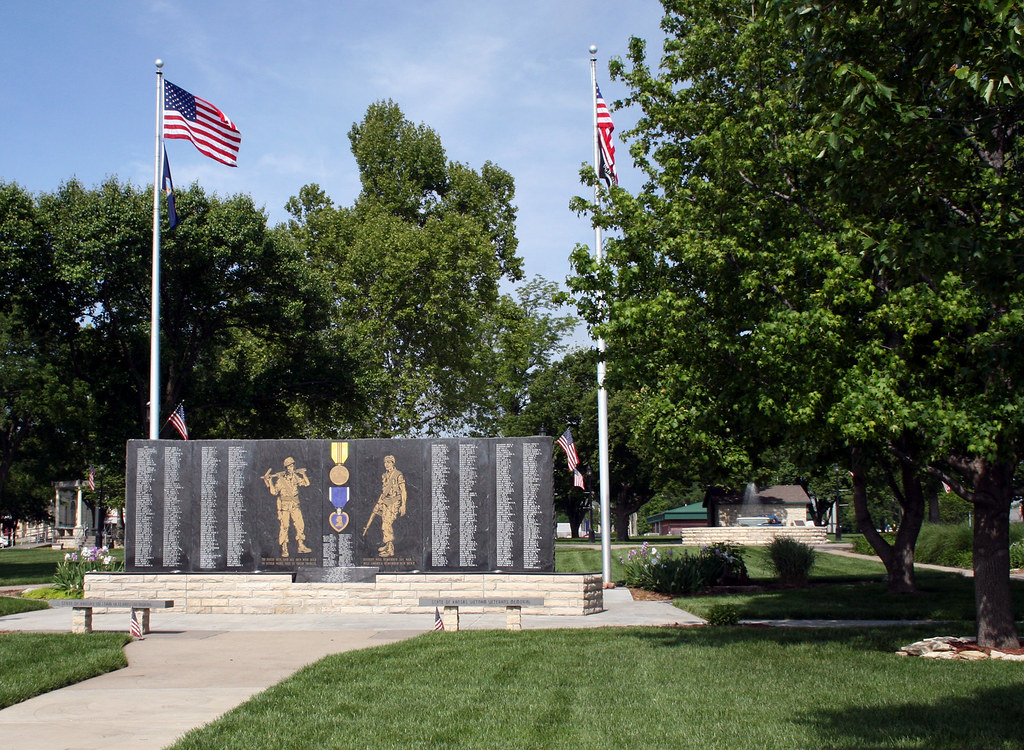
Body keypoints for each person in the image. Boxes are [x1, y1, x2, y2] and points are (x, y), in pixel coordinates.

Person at [264, 457, 312, 557]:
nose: (291, 468)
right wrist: (270, 481)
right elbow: (274, 492)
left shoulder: (295, 477)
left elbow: (307, 483)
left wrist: (303, 474)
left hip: (295, 505)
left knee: (300, 524)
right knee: (284, 527)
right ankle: (284, 548)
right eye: (289, 466)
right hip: (284, 507)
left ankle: (301, 546)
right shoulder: (280, 480)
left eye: (292, 465)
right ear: (286, 468)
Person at [362, 455, 407, 557]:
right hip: (386, 502)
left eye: (389, 462)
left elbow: (403, 490)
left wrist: (403, 505)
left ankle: (390, 549)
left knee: (386, 524)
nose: (386, 464)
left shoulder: (398, 475)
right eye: (385, 462)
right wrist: (379, 502)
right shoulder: (384, 475)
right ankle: (387, 544)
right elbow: (384, 491)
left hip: (395, 501)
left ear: (393, 463)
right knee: (384, 523)